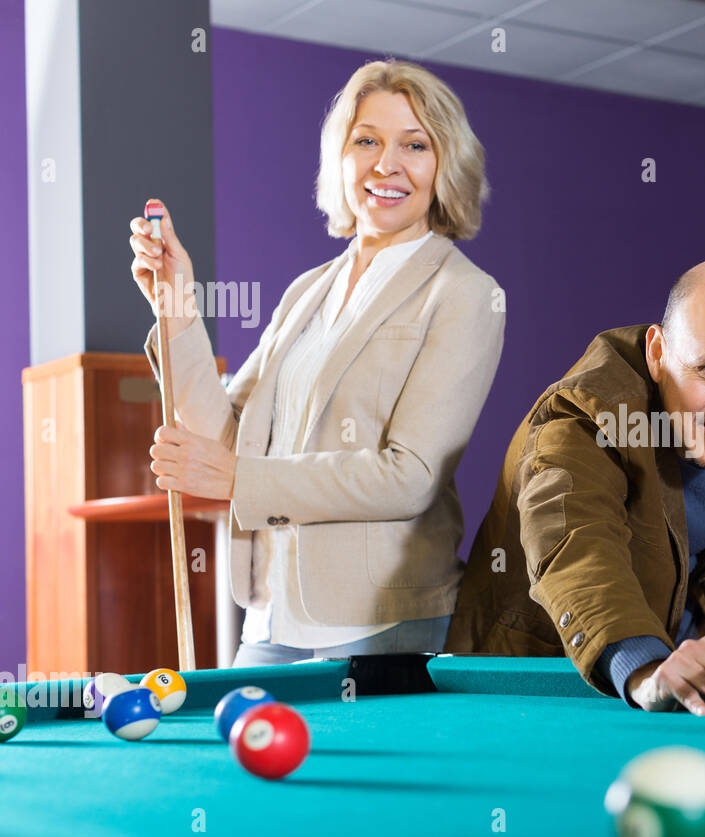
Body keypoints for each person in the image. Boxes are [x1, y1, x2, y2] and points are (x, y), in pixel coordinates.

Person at [127, 60, 504, 665]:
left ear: (445, 165)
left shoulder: (464, 293)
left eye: (415, 144)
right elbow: (226, 433)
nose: (387, 163)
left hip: (383, 622)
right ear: (341, 159)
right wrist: (175, 303)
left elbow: (408, 476)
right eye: (367, 141)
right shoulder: (309, 290)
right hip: (270, 614)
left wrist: (236, 481)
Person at [446, 258, 705, 714]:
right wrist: (644, 668)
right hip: (536, 677)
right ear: (658, 353)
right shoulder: (585, 420)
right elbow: (577, 548)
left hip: (672, 661)